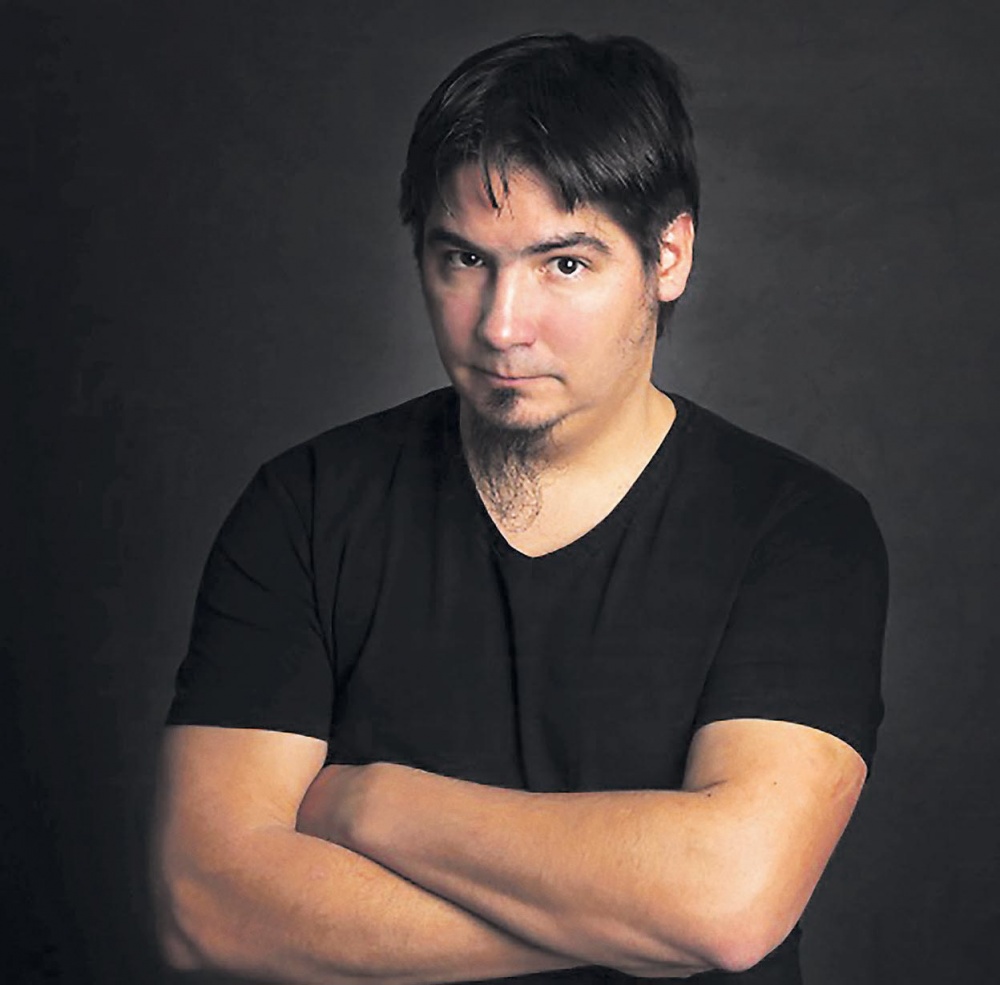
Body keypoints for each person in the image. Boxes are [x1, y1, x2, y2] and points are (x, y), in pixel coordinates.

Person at [153, 33, 887, 985]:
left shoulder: (799, 531)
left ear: (668, 255)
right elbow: (207, 908)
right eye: (464, 258)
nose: (502, 324)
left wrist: (371, 804)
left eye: (563, 265)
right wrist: (637, 918)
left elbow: (729, 900)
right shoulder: (305, 507)